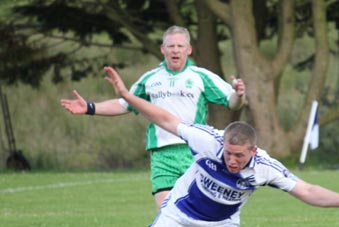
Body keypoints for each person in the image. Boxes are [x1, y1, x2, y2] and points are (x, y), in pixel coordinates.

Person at [101, 65, 339, 227]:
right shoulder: (208, 140)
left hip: (219, 225)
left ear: (253, 151)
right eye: (228, 154)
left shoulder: (264, 166)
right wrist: (127, 96)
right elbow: (165, 119)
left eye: (239, 156)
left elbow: (305, 190)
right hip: (180, 213)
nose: (232, 160)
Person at [60, 25, 247, 212]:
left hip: (193, 151)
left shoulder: (200, 76)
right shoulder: (150, 79)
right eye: (171, 46)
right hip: (161, 154)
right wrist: (90, 108)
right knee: (168, 215)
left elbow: (232, 102)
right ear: (162, 49)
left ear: (188, 50)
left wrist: (238, 94)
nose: (175, 50)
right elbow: (124, 104)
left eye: (180, 46)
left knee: (196, 214)